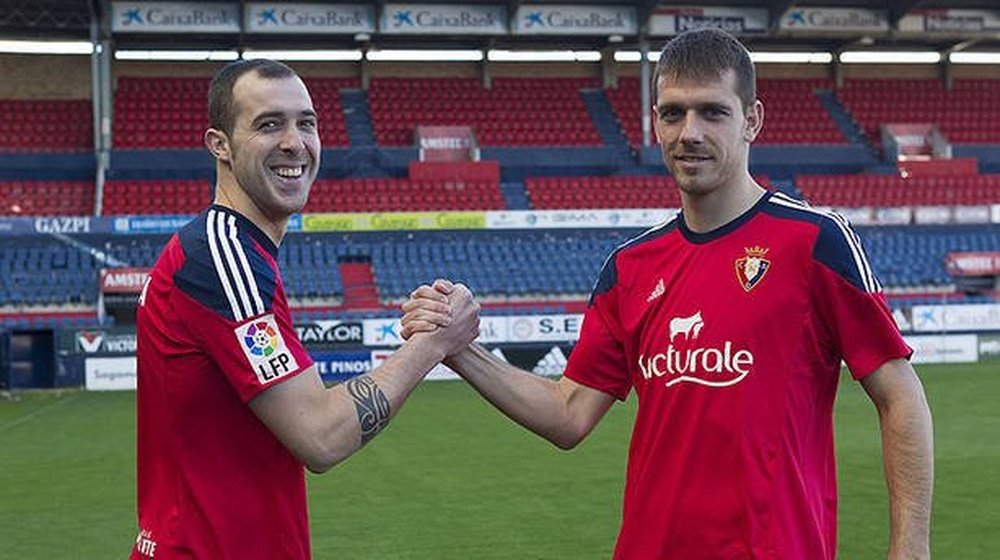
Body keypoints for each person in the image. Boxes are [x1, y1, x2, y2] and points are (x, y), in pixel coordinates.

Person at [401, 29, 933, 559]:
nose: (689, 133)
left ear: (752, 120)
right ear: (654, 121)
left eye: (712, 112)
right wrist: (457, 348)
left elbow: (900, 395)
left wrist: (909, 548)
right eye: (673, 113)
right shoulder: (629, 269)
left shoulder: (816, 242)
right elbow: (567, 414)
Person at [131, 59, 479, 559]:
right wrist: (436, 342)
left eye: (307, 123)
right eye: (269, 124)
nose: (295, 142)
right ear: (220, 145)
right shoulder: (222, 256)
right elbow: (321, 435)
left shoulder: (235, 254)